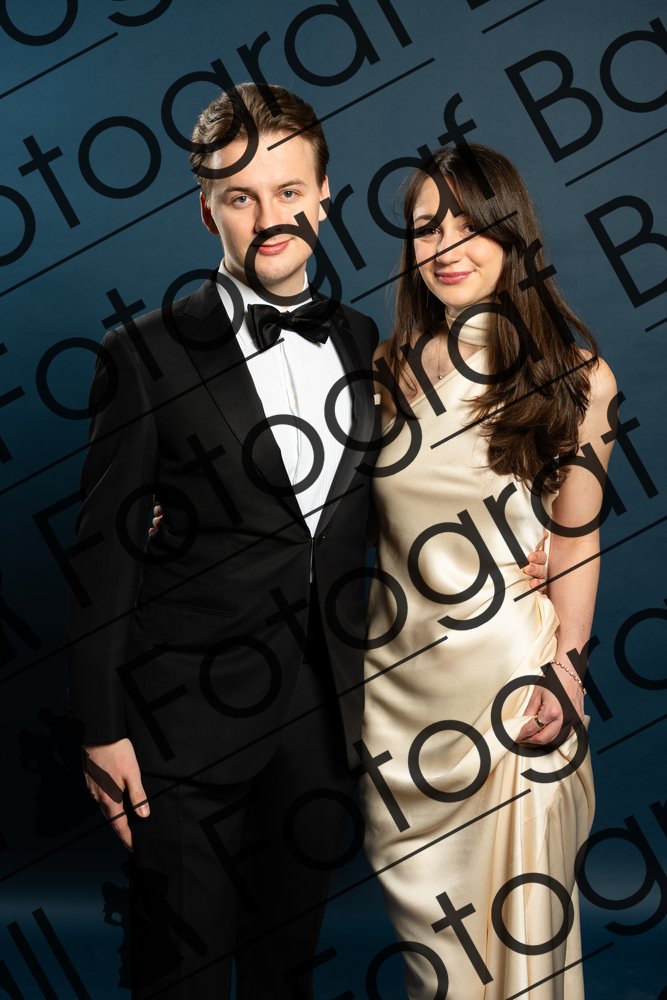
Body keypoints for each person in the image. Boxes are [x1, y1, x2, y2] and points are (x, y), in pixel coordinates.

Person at [68, 84, 548, 999]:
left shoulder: (367, 343)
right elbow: (103, 553)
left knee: (285, 972)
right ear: (205, 208)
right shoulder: (141, 353)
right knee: (179, 972)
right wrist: (101, 729)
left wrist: (524, 553)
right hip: (180, 726)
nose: (269, 217)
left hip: (325, 726)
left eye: (289, 191)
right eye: (240, 197)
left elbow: (422, 493)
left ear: (324, 196)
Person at [360, 144, 616, 998]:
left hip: (510, 686)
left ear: (511, 235)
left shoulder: (574, 376)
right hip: (395, 695)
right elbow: (310, 501)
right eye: (426, 228)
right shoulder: (385, 370)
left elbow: (573, 538)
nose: (445, 246)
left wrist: (566, 671)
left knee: (519, 932)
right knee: (436, 954)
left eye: (469, 225)